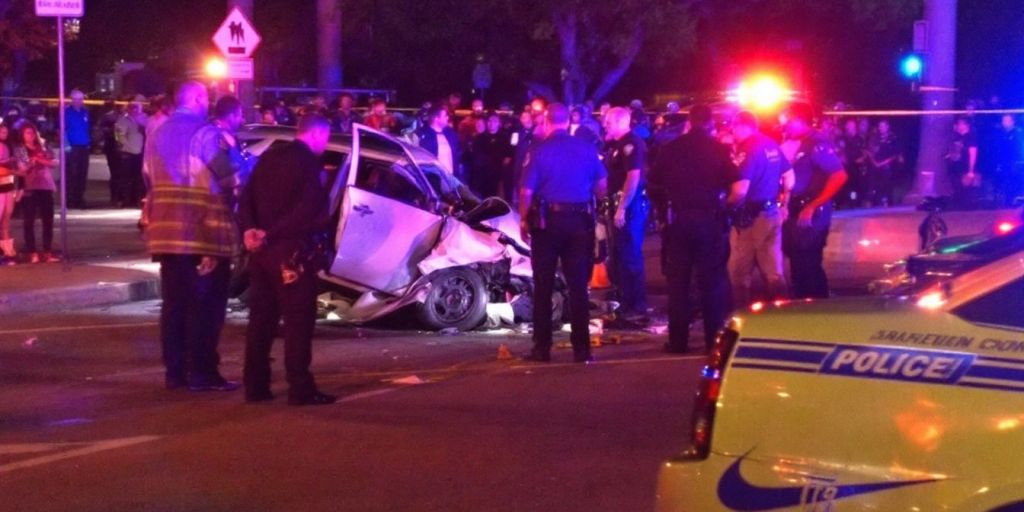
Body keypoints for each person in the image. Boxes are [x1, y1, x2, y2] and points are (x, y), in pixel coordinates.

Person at [143, 81, 246, 392]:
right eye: (206, 97)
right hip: (203, 234)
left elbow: (147, 176)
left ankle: (175, 373)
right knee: (206, 308)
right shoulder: (206, 133)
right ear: (199, 99)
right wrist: (246, 164)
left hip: (165, 233)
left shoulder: (157, 132)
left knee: (174, 306)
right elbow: (229, 177)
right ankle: (202, 372)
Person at [239, 113, 337, 406]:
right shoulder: (308, 165)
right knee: (298, 322)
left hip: (260, 254)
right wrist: (271, 233)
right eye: (327, 138)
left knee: (261, 321)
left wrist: (250, 231)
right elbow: (309, 210)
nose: (326, 144)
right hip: (290, 255)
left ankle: (255, 386)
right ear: (318, 135)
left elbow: (245, 198)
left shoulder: (269, 158)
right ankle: (300, 387)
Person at [518, 103, 608, 363]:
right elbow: (602, 184)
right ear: (568, 121)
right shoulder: (587, 148)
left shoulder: (539, 150)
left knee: (543, 286)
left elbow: (526, 192)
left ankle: (542, 348)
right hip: (580, 221)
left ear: (546, 122)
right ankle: (582, 349)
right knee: (579, 286)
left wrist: (524, 221)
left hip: (547, 224)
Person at [648, 104, 736, 353]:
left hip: (678, 223)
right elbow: (739, 187)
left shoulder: (670, 150)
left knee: (679, 285)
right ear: (710, 124)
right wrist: (724, 207)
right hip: (709, 222)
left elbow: (652, 185)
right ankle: (713, 342)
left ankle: (678, 342)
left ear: (689, 122)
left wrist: (664, 211)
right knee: (712, 284)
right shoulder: (719, 149)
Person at [726, 111, 794, 307]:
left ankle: (743, 319)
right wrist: (784, 204)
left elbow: (740, 190)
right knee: (774, 273)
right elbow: (790, 176)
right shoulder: (771, 144)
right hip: (771, 213)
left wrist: (726, 206)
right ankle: (781, 316)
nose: (732, 131)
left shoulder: (747, 149)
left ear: (741, 125)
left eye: (734, 127)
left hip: (749, 219)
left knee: (739, 273)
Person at [781, 103, 848, 299]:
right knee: (798, 264)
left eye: (788, 121)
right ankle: (803, 309)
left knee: (808, 264)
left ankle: (817, 310)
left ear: (800, 121)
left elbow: (839, 175)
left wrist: (812, 205)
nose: (785, 126)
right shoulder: (799, 144)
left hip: (812, 212)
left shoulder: (817, 143)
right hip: (797, 210)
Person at [602, 106, 651, 322]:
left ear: (622, 122)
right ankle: (625, 301)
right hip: (619, 205)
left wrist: (622, 207)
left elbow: (633, 177)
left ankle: (636, 305)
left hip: (630, 207)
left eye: (609, 122)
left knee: (630, 255)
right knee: (619, 255)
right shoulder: (617, 145)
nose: (605, 125)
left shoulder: (631, 144)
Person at [14, 123, 60, 263]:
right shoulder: (20, 149)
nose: (30, 135)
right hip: (30, 188)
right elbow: (23, 168)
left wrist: (38, 159)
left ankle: (47, 251)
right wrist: (34, 162)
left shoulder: (43, 147)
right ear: (22, 135)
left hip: (46, 186)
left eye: (32, 133)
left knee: (48, 220)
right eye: (27, 133)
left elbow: (55, 162)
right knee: (29, 221)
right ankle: (32, 251)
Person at [468, 112, 512, 198]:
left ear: (499, 123)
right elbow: (476, 155)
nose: (492, 123)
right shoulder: (480, 138)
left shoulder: (504, 138)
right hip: (483, 174)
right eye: (490, 121)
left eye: (495, 121)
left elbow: (508, 154)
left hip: (498, 174)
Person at [114, 97, 148, 208]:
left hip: (141, 152)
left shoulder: (145, 119)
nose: (134, 110)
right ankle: (125, 200)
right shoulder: (123, 120)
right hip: (127, 152)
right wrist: (124, 146)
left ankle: (138, 199)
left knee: (139, 178)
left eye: (137, 107)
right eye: (132, 107)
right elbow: (118, 135)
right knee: (126, 178)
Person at [416, 105, 461, 178]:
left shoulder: (451, 134)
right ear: (436, 118)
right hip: (432, 180)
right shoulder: (422, 136)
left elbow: (457, 156)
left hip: (451, 179)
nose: (447, 118)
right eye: (445, 116)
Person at [865, 119, 901, 207]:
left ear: (887, 127)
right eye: (880, 126)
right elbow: (869, 152)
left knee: (887, 180)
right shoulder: (874, 138)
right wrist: (875, 162)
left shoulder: (892, 138)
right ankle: (872, 202)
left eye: (883, 126)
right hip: (875, 164)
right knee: (873, 182)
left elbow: (895, 154)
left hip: (888, 165)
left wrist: (883, 163)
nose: (881, 128)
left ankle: (888, 202)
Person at [945, 116, 980, 209]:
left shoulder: (971, 137)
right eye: (959, 124)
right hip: (955, 166)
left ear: (967, 125)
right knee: (955, 186)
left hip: (965, 166)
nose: (960, 126)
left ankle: (967, 207)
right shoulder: (955, 137)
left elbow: (973, 154)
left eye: (962, 124)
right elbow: (952, 150)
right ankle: (958, 205)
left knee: (966, 187)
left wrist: (971, 170)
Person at [65, 89, 91, 209]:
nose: (78, 102)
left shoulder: (85, 112)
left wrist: (89, 142)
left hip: (84, 146)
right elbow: (62, 129)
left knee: (82, 173)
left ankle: (79, 197)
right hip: (72, 146)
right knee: (72, 173)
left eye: (80, 99)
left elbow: (88, 128)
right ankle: (70, 198)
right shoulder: (66, 112)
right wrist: (66, 144)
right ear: (72, 100)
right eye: (76, 99)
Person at [991, 114, 1023, 206]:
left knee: (1015, 182)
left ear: (1012, 121)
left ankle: (1015, 201)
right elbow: (998, 148)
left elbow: (1019, 148)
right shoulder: (1000, 134)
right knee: (1005, 181)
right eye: (1003, 121)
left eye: (1007, 120)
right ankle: (1006, 202)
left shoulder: (1018, 133)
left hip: (1016, 162)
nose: (1004, 123)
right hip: (1003, 161)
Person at [99, 100, 123, 206]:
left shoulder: (126, 116)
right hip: (112, 148)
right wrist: (111, 130)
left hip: (124, 148)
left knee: (123, 174)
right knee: (115, 173)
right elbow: (102, 130)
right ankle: (115, 197)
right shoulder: (109, 117)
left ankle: (122, 196)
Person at [0, 124, 16, 263]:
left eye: (6, 131)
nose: (4, 133)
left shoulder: (7, 146)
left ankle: (8, 250)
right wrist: (8, 163)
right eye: (2, 131)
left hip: (8, 185)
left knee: (6, 219)